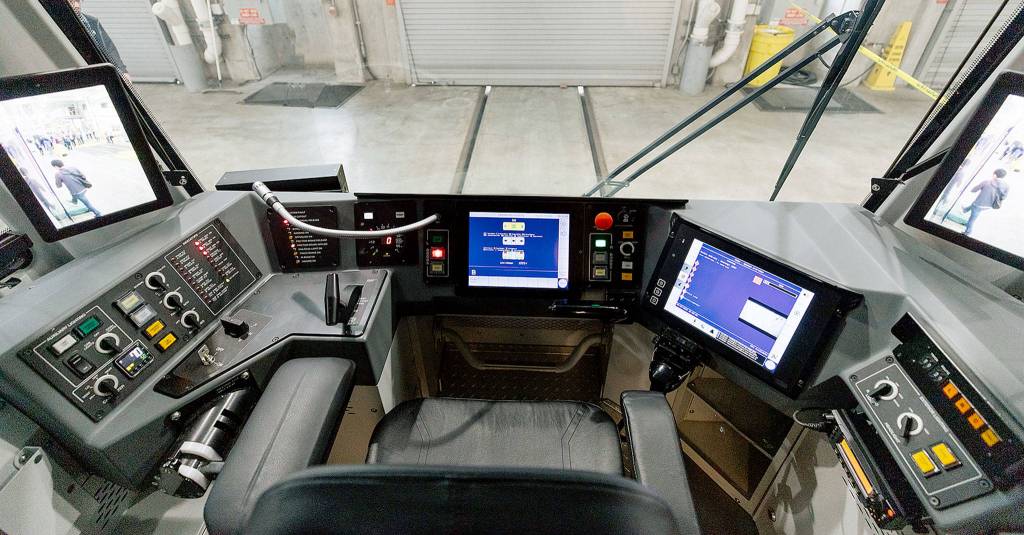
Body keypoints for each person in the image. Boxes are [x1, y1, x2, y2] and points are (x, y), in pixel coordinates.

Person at [68, 0, 128, 73]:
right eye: (71, 1)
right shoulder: (59, 25)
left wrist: (123, 71)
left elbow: (109, 47)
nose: (77, 5)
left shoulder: (92, 21)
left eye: (78, 1)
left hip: (101, 71)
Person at [963, 168, 1010, 236]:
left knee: (972, 218)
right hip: (989, 206)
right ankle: (965, 209)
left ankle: (968, 232)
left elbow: (973, 190)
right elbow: (1003, 197)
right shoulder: (1007, 186)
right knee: (974, 206)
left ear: (995, 174)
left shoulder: (987, 181)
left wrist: (983, 189)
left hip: (979, 205)